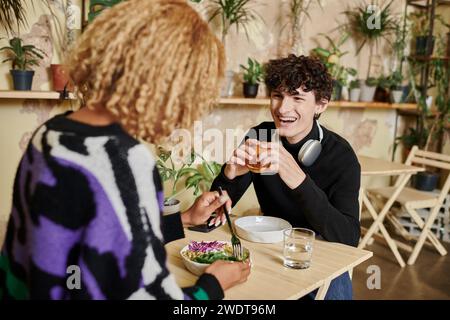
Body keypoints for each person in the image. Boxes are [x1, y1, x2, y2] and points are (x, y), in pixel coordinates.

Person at [0, 0, 250, 300]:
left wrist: (183, 219)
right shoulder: (126, 162)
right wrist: (212, 286)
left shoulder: (53, 132)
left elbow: (95, 235)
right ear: (169, 88)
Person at [210, 54, 361, 300]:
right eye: (278, 95)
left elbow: (348, 238)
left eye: (297, 98)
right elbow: (214, 216)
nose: (282, 108)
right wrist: (228, 176)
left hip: (321, 257)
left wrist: (298, 180)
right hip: (267, 250)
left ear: (321, 104)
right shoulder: (260, 135)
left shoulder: (341, 156)